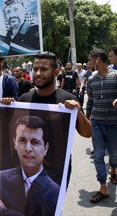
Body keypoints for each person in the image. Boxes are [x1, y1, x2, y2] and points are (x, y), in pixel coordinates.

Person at [18, 52, 91, 186]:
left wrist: (78, 112)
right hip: (26, 170)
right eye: (35, 69)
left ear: (56, 72)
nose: (38, 73)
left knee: (54, 207)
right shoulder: (24, 100)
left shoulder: (68, 100)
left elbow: (87, 133)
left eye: (44, 69)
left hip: (57, 172)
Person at [0, 115, 59, 216]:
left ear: (46, 148)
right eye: (22, 140)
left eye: (35, 142)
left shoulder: (55, 192)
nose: (28, 148)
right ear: (15, 143)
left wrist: (5, 213)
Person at [86, 48, 117, 203]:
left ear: (98, 60)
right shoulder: (91, 80)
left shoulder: (116, 76)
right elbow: (90, 102)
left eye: (90, 60)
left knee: (114, 153)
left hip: (113, 124)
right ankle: (103, 187)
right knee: (98, 155)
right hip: (97, 123)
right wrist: (86, 120)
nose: (88, 63)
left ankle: (113, 168)